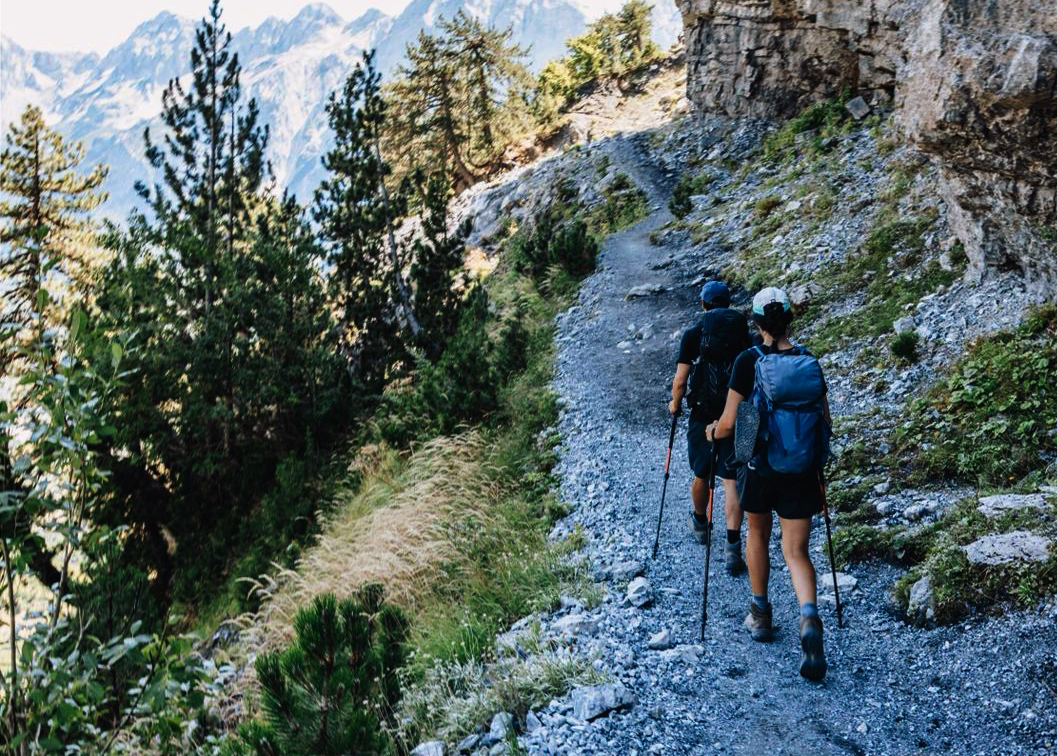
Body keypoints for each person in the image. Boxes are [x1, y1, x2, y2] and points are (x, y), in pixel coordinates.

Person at [705, 286, 830, 681]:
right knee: (796, 551)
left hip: (759, 468)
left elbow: (728, 423)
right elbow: (825, 422)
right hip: (801, 470)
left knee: (756, 535)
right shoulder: (809, 361)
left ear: (757, 322)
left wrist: (712, 433)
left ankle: (760, 615)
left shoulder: (748, 360)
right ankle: (809, 617)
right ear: (789, 318)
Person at [668, 280, 751, 575]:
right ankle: (732, 548)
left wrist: (675, 404)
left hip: (703, 414)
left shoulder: (694, 334)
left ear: (703, 305)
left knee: (701, 472)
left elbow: (680, 380)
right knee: (731, 480)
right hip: (736, 416)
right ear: (727, 304)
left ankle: (701, 524)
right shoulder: (745, 335)